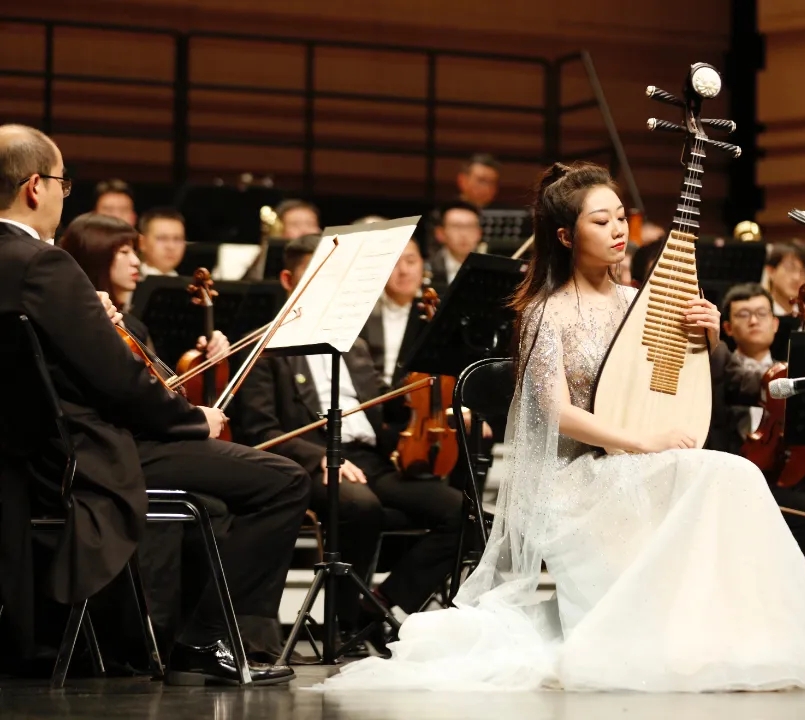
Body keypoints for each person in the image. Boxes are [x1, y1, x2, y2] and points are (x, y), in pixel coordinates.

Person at [316, 161, 805, 693]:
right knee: (725, 474)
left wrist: (709, 337)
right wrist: (642, 442)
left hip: (636, 464)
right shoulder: (545, 312)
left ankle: (739, 640)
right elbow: (556, 411)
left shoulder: (639, 302)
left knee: (734, 474)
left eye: (621, 217)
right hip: (574, 477)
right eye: (601, 221)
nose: (618, 230)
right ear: (565, 235)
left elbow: (671, 384)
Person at [0, 124, 309, 685]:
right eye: (64, 183)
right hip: (87, 456)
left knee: (217, 502)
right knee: (282, 481)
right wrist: (192, 419)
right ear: (35, 187)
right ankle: (207, 641)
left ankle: (184, 635)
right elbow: (119, 383)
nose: (65, 196)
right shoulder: (44, 264)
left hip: (26, 459)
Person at [233, 234, 463, 635]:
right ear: (287, 280)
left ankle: (380, 603)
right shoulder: (264, 348)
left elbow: (382, 415)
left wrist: (440, 409)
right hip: (312, 461)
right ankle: (342, 624)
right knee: (360, 506)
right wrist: (321, 458)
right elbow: (261, 430)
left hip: (370, 460)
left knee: (465, 514)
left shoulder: (353, 345)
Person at [715, 283, 805, 588]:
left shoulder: (794, 373)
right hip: (743, 478)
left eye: (761, 313)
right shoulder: (723, 373)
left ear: (775, 323)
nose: (754, 321)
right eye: (743, 315)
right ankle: (771, 593)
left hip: (790, 476)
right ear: (727, 328)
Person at [58, 213, 228, 364]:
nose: (136, 261)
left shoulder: (133, 326)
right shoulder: (74, 320)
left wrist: (204, 355)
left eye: (134, 251)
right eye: (124, 252)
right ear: (96, 256)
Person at [363, 237, 429, 388]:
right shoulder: (364, 311)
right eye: (394, 263)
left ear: (422, 264)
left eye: (411, 261)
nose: (404, 271)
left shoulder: (431, 311)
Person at [427, 200, 482, 295]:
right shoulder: (427, 269)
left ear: (479, 233)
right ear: (440, 233)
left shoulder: (489, 270)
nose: (464, 234)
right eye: (456, 226)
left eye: (470, 226)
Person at [763, 242, 805, 317]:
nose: (797, 277)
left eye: (803, 272)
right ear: (771, 271)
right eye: (790, 269)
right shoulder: (760, 316)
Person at [138, 207, 187, 277]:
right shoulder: (131, 282)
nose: (171, 246)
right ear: (142, 243)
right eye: (162, 238)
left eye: (177, 239)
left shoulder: (189, 282)